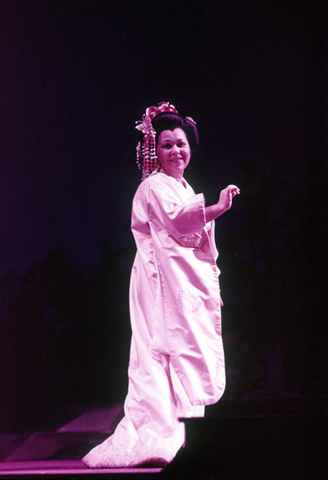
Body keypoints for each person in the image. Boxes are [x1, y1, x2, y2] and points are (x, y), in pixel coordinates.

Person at [82, 102, 240, 468]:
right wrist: (215, 209)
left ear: (190, 148)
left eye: (181, 144)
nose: (175, 151)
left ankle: (180, 434)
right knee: (157, 353)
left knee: (180, 350)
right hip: (156, 282)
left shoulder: (184, 187)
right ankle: (157, 433)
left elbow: (191, 233)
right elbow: (178, 223)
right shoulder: (154, 186)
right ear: (155, 150)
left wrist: (208, 214)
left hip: (176, 280)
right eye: (167, 144)